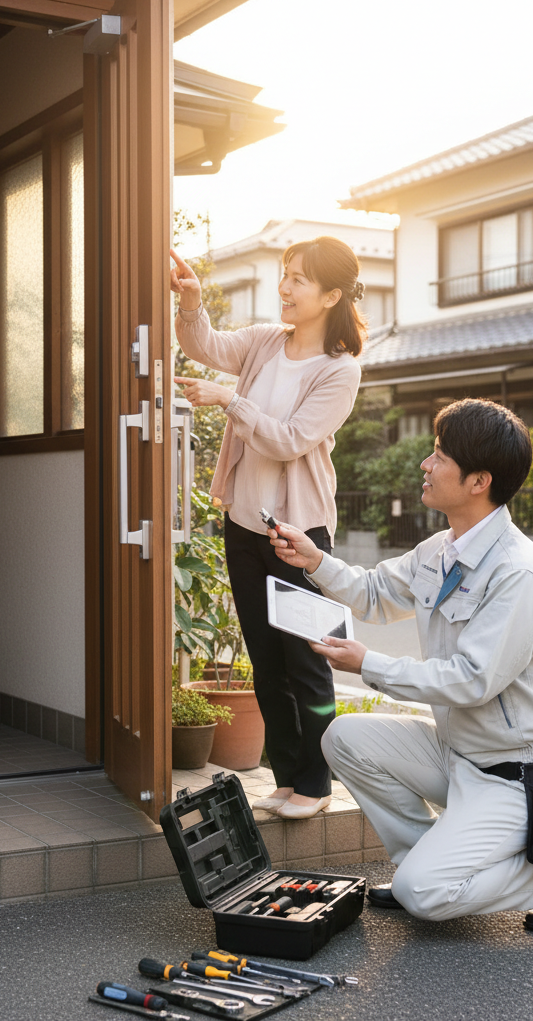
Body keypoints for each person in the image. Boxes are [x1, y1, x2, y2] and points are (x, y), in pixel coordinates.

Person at [270, 398, 533, 931]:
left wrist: (366, 661)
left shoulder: (520, 575)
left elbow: (471, 680)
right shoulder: (441, 549)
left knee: (425, 894)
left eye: (440, 455)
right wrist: (314, 560)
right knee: (344, 737)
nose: (426, 463)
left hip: (515, 776)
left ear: (477, 481)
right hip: (458, 753)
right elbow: (375, 592)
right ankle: (426, 864)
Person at [170, 237, 365, 819]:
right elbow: (202, 345)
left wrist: (231, 402)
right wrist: (191, 301)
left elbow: (289, 441)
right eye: (285, 274)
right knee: (265, 659)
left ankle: (317, 783)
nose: (285, 287)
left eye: (299, 279)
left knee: (306, 662)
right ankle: (285, 777)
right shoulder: (261, 342)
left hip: (300, 537)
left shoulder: (339, 371)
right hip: (244, 527)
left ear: (331, 294)